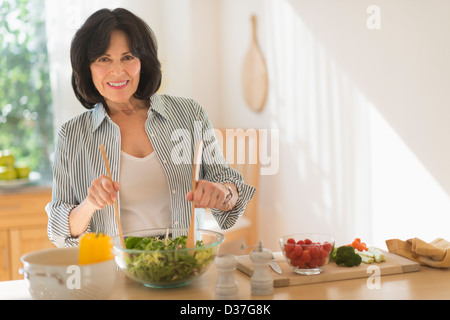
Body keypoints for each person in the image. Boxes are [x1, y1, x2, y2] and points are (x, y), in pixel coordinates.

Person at [46, 8, 256, 247]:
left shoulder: (189, 115)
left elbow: (229, 188)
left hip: (184, 266)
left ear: (142, 62)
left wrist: (223, 193)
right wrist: (89, 204)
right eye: (104, 59)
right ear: (87, 68)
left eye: (128, 57)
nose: (117, 71)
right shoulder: (72, 135)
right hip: (113, 274)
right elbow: (58, 232)